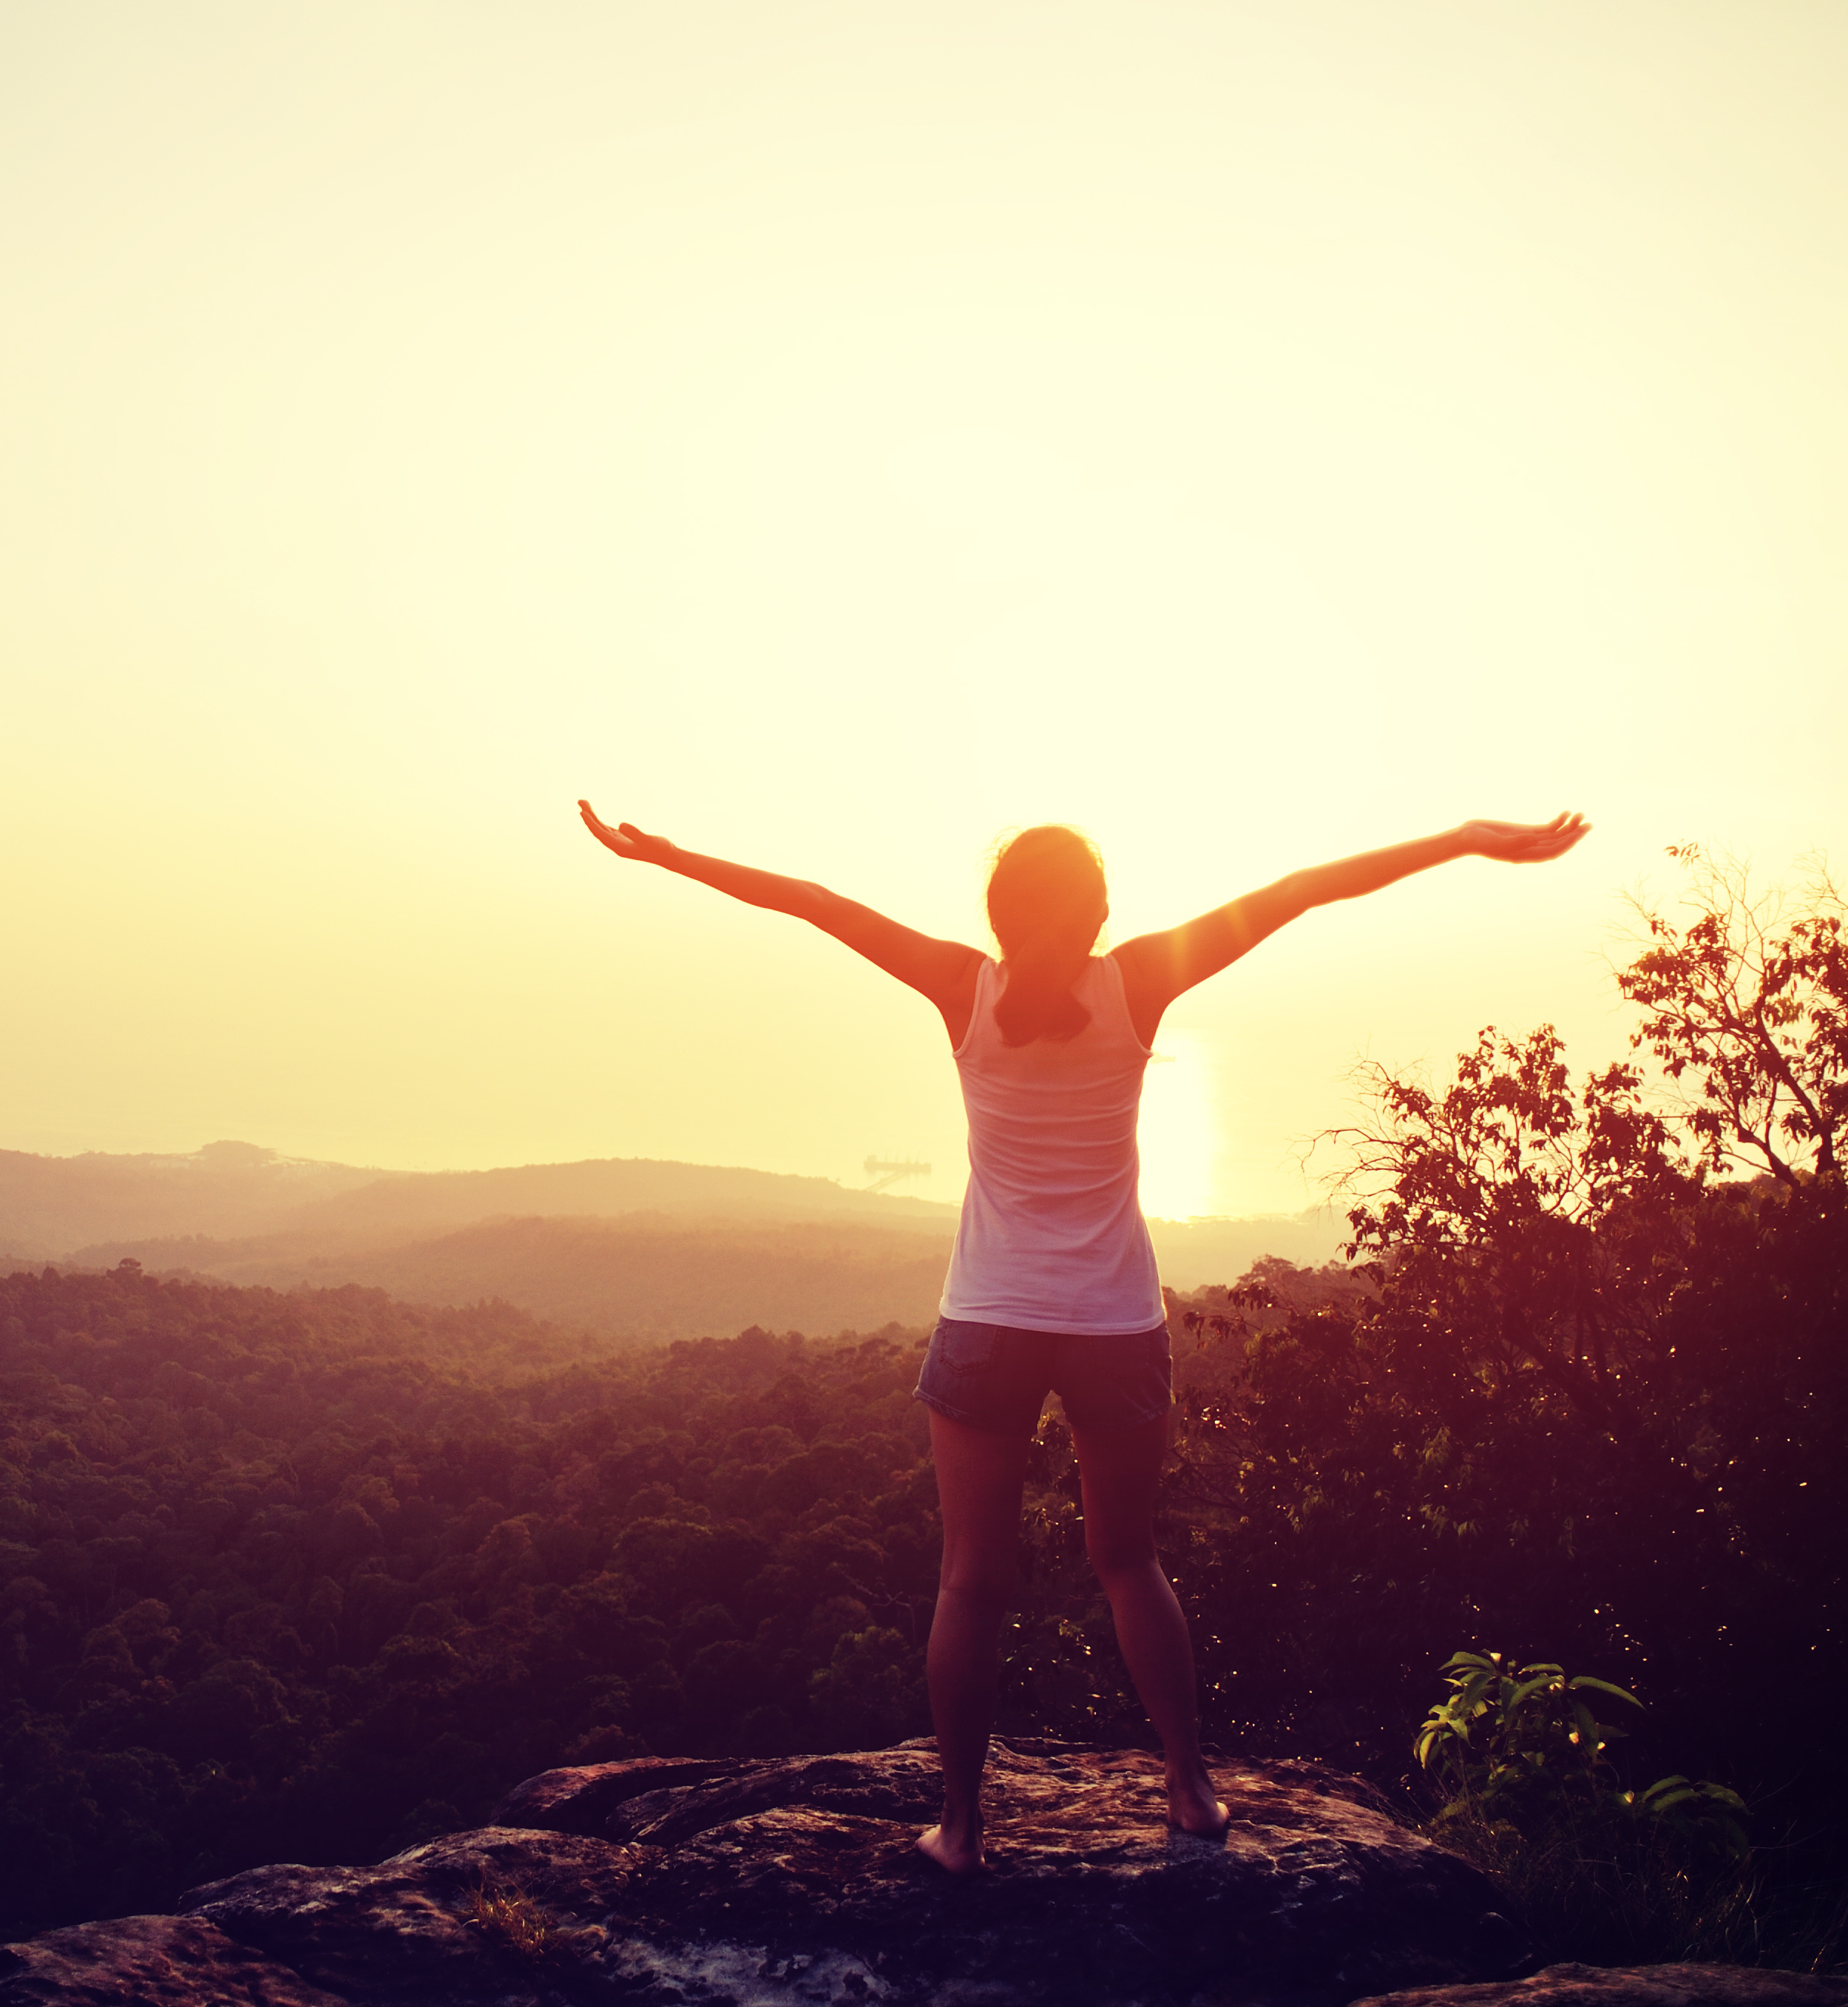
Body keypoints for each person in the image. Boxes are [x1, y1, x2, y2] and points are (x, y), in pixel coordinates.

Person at [576, 800, 1590, 1867]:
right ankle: (1190, 1787)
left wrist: (670, 854)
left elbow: (815, 906)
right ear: (1102, 912)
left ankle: (961, 1828)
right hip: (1113, 1324)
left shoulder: (962, 984)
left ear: (997, 916)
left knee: (971, 1579)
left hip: (988, 1321)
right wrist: (1463, 840)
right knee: (1130, 1559)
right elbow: (1298, 894)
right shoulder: (1138, 983)